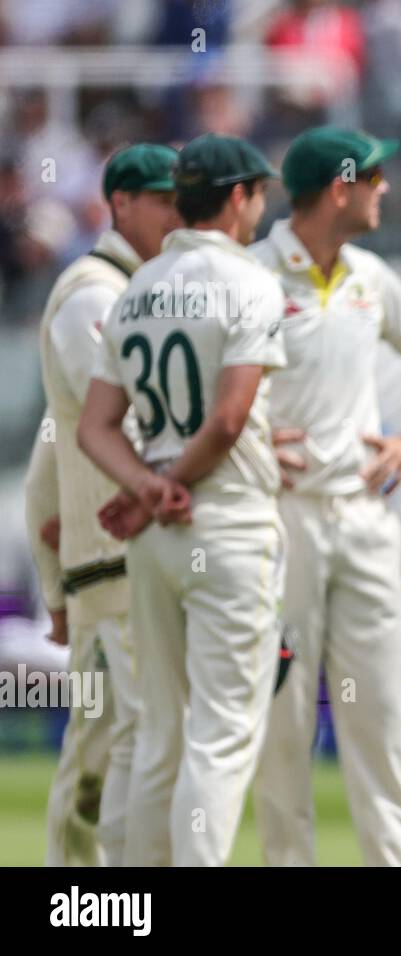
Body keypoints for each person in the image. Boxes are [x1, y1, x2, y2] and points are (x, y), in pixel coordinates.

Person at [78, 133, 287, 866]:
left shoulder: (136, 287)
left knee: (162, 734)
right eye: (259, 193)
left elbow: (95, 427)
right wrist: (171, 484)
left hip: (157, 536)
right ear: (238, 198)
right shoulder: (250, 281)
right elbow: (228, 420)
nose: (262, 206)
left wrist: (144, 488)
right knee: (221, 737)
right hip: (225, 522)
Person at [250, 126, 401, 866]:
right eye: (373, 177)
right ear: (340, 187)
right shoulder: (253, 275)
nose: (385, 189)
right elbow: (208, 390)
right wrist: (245, 446)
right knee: (282, 722)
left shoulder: (371, 275)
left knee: (381, 724)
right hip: (281, 525)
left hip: (366, 523)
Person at [27, 143, 180, 865]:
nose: (181, 214)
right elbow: (106, 429)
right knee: (123, 748)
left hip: (124, 563)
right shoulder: (94, 292)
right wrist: (58, 584)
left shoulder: (144, 291)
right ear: (121, 202)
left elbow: (47, 457)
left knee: (109, 751)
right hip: (111, 564)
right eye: (165, 199)